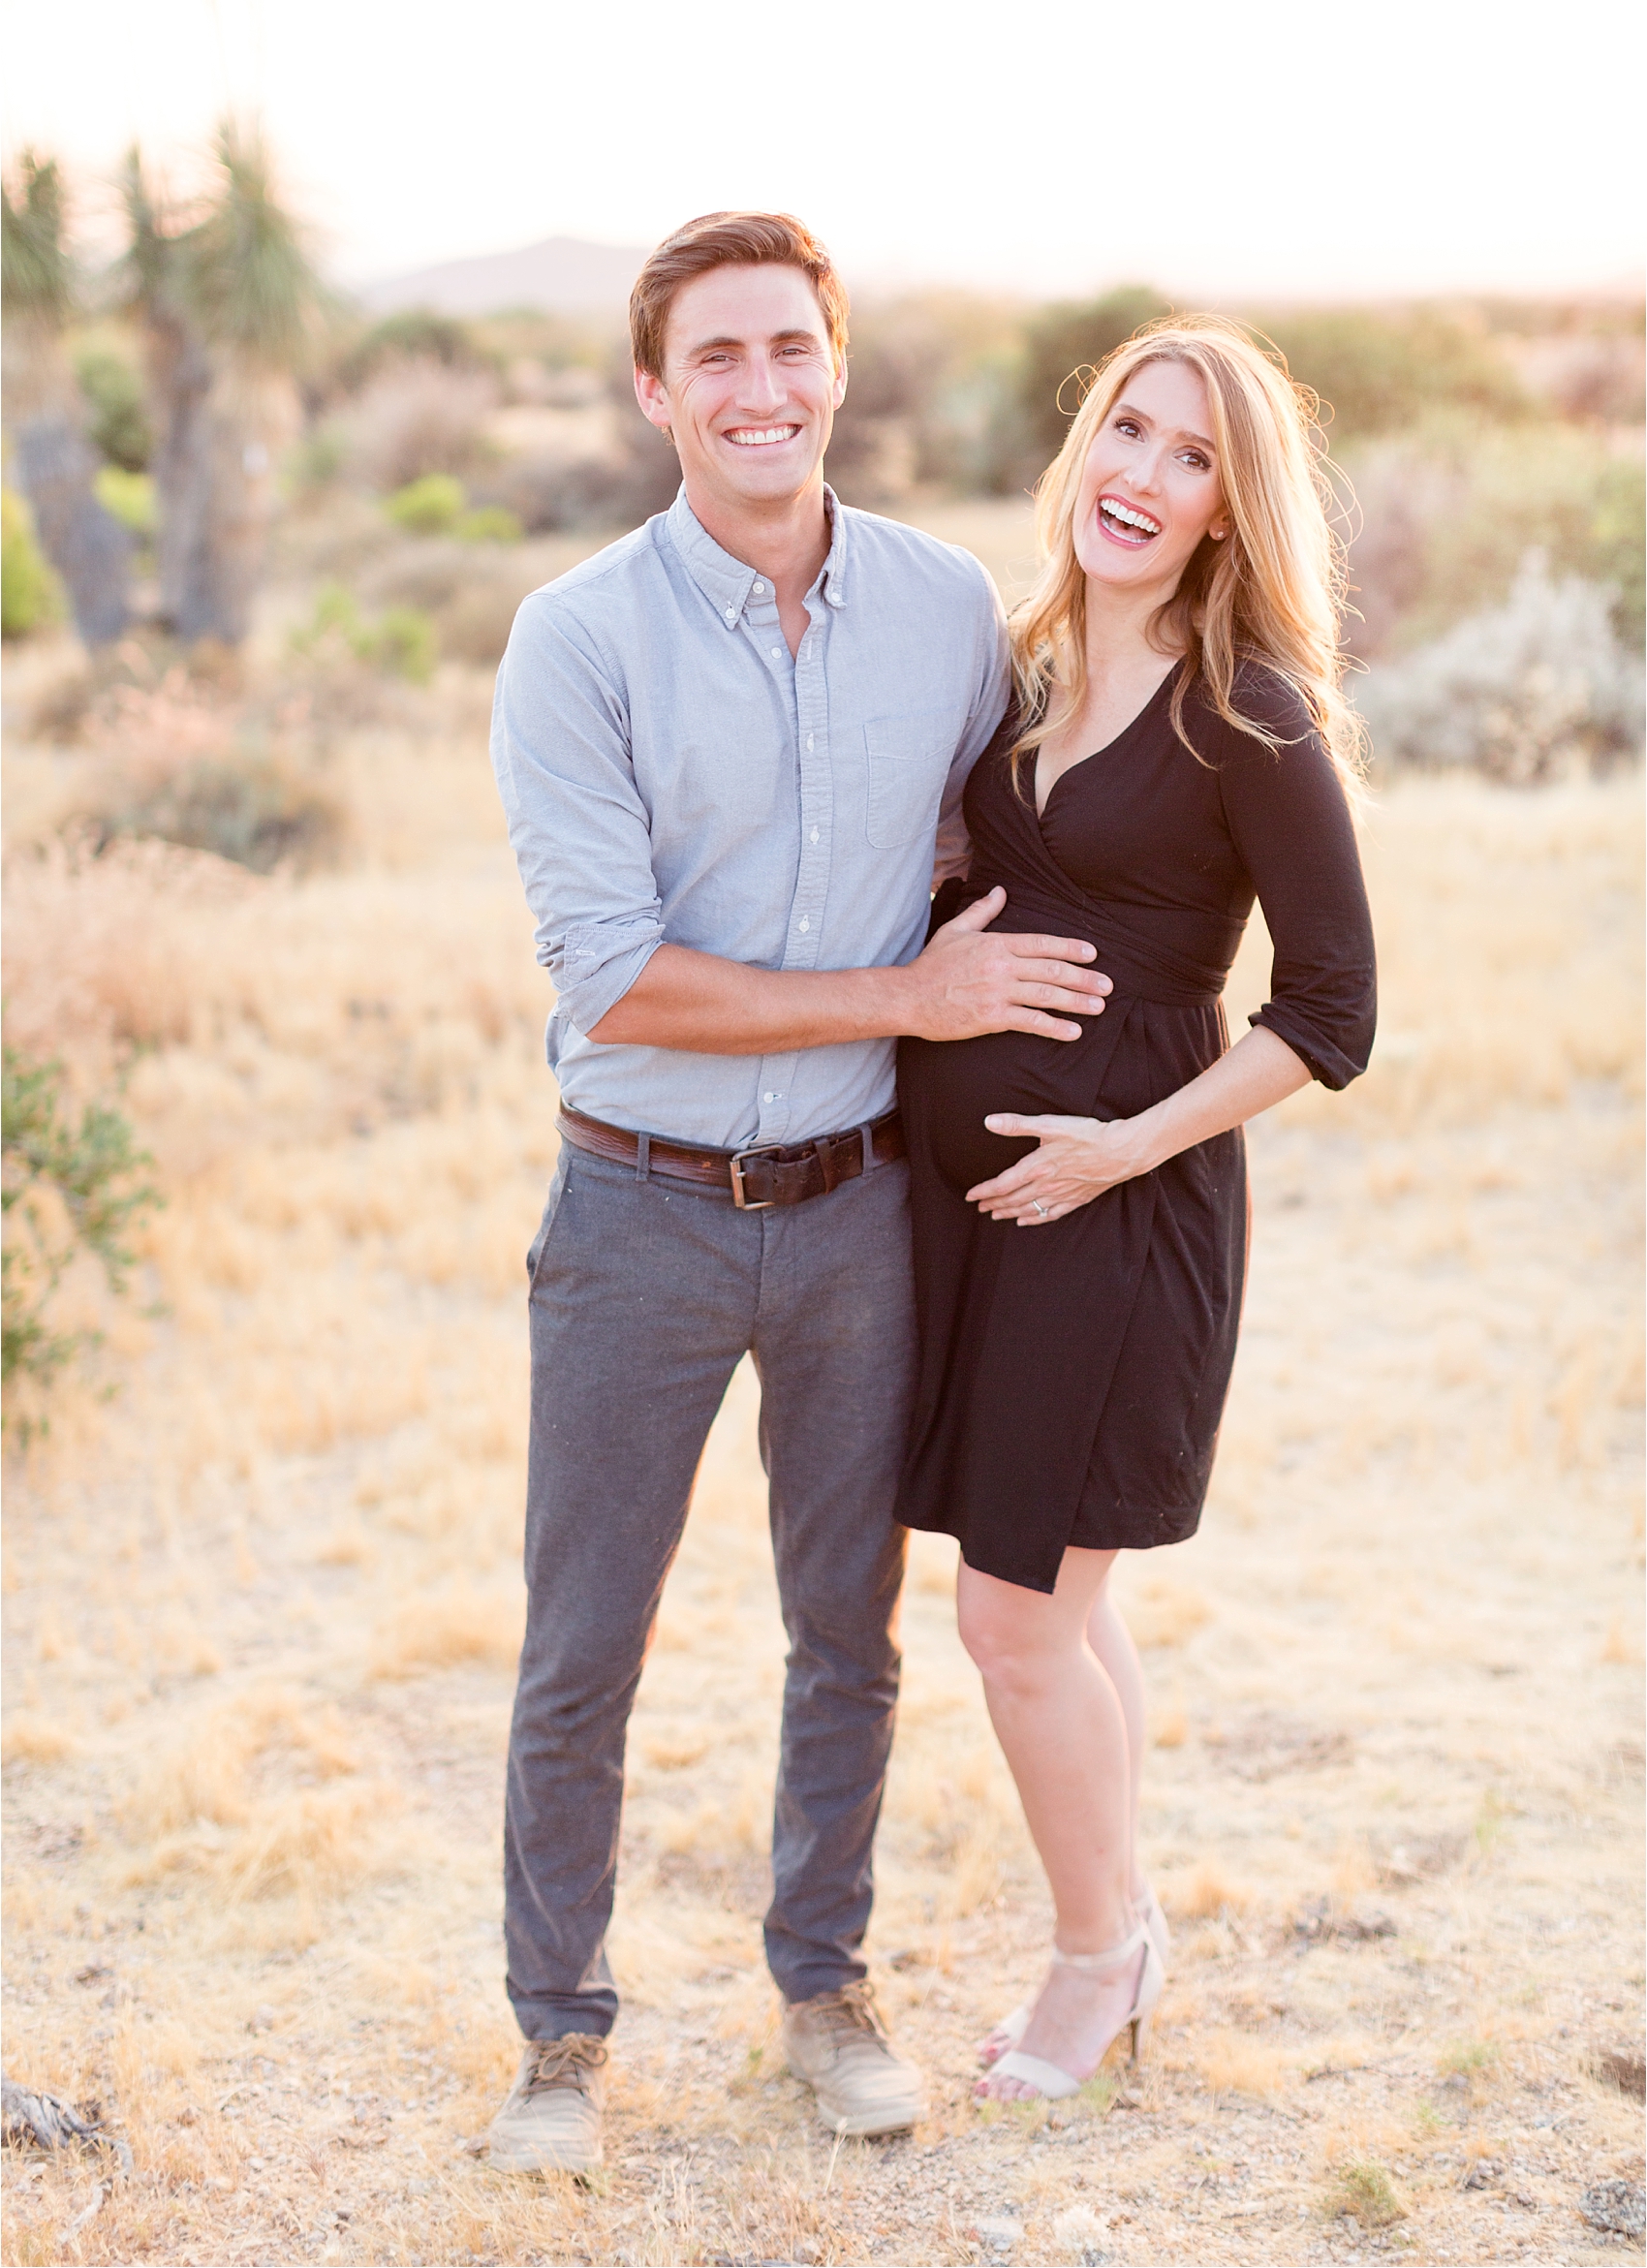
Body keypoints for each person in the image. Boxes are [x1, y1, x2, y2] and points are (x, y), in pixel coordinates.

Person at [485, 210, 1115, 2173]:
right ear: (654, 390)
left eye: (792, 348)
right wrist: (909, 993)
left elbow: (1010, 829)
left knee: (847, 1629)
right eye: (717, 358)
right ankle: (558, 2041)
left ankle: (824, 1989)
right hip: (635, 1213)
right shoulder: (578, 636)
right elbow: (617, 974)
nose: (760, 390)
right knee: (583, 1641)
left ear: (836, 365)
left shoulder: (944, 612)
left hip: (859, 1216)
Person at [896, 316, 1378, 2101]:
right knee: (1063, 1603)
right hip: (977, 1216)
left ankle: (1098, 1956)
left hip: (1122, 1210)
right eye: (1129, 430)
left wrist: (1124, 1144)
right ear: (1081, 445)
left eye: (1192, 459)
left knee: (1013, 1617)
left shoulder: (1248, 714)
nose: (1144, 476)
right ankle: (1129, 1917)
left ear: (1230, 515)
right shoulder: (1016, 667)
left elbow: (1333, 1011)